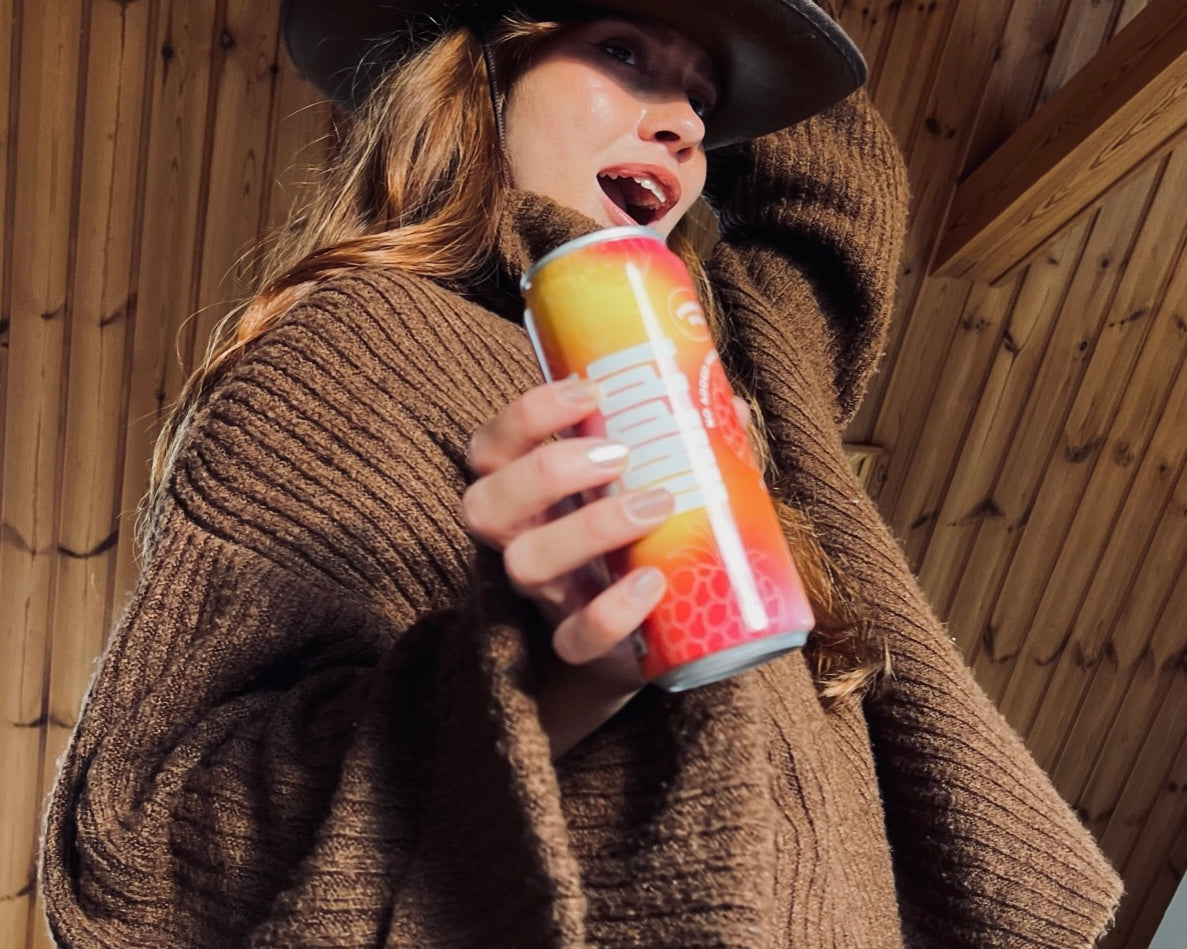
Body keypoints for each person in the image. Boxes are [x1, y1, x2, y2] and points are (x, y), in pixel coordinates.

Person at [40, 0, 1122, 946]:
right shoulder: (354, 339)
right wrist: (531, 665)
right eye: (622, 51)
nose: (691, 121)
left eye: (706, 99)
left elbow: (834, 216)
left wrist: (729, 65)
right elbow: (153, 850)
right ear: (481, 74)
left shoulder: (717, 361)